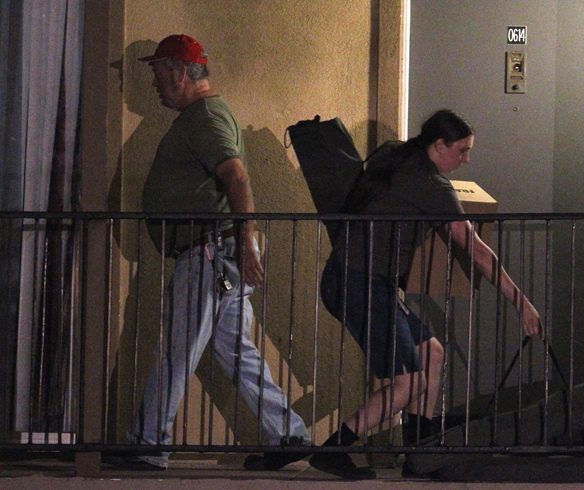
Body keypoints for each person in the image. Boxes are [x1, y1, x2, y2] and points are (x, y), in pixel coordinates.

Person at [310, 109, 544, 480]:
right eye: (462, 150)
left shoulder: (396, 155)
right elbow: (477, 250)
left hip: (360, 279)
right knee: (410, 381)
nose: (466, 159)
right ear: (440, 145)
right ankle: (335, 448)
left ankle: (417, 450)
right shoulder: (432, 184)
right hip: (358, 281)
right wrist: (522, 303)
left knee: (431, 352)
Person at [123, 34, 310, 471]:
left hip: (211, 254)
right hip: (219, 253)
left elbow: (238, 179)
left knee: (179, 348)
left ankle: (149, 443)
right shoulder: (203, 116)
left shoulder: (205, 116)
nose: (153, 84)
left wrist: (246, 246)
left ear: (179, 73)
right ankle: (288, 433)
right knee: (235, 351)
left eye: (156, 74)